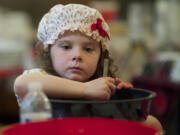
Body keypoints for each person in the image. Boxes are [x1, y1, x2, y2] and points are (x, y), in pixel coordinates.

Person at [13, 4, 163, 134]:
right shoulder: (41, 77)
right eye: (66, 47)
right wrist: (86, 89)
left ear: (101, 57)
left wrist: (123, 103)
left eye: (88, 49)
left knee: (152, 122)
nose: (77, 55)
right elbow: (21, 84)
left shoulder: (99, 86)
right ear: (48, 51)